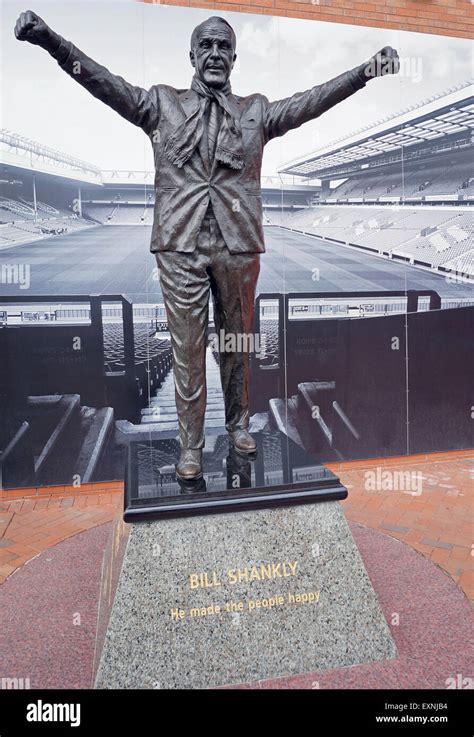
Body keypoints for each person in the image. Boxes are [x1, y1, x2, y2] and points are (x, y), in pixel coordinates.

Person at [15, 11, 399, 480]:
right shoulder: (160, 103)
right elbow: (101, 80)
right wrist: (49, 39)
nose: (215, 54)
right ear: (193, 55)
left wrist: (364, 73)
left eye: (223, 47)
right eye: (207, 46)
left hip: (237, 245)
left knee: (237, 344)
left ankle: (238, 425)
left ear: (234, 58)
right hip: (180, 245)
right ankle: (190, 445)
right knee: (188, 348)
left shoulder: (256, 110)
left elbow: (311, 102)